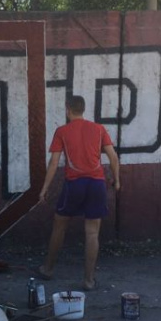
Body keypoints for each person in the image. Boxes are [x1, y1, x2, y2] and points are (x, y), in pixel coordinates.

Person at [38, 95, 120, 291]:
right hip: (97, 184)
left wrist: (44, 189)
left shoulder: (62, 132)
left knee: (60, 226)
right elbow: (113, 156)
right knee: (92, 233)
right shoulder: (99, 129)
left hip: (74, 184)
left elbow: (54, 163)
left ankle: (48, 269)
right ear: (83, 109)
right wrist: (117, 180)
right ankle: (89, 280)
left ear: (68, 110)